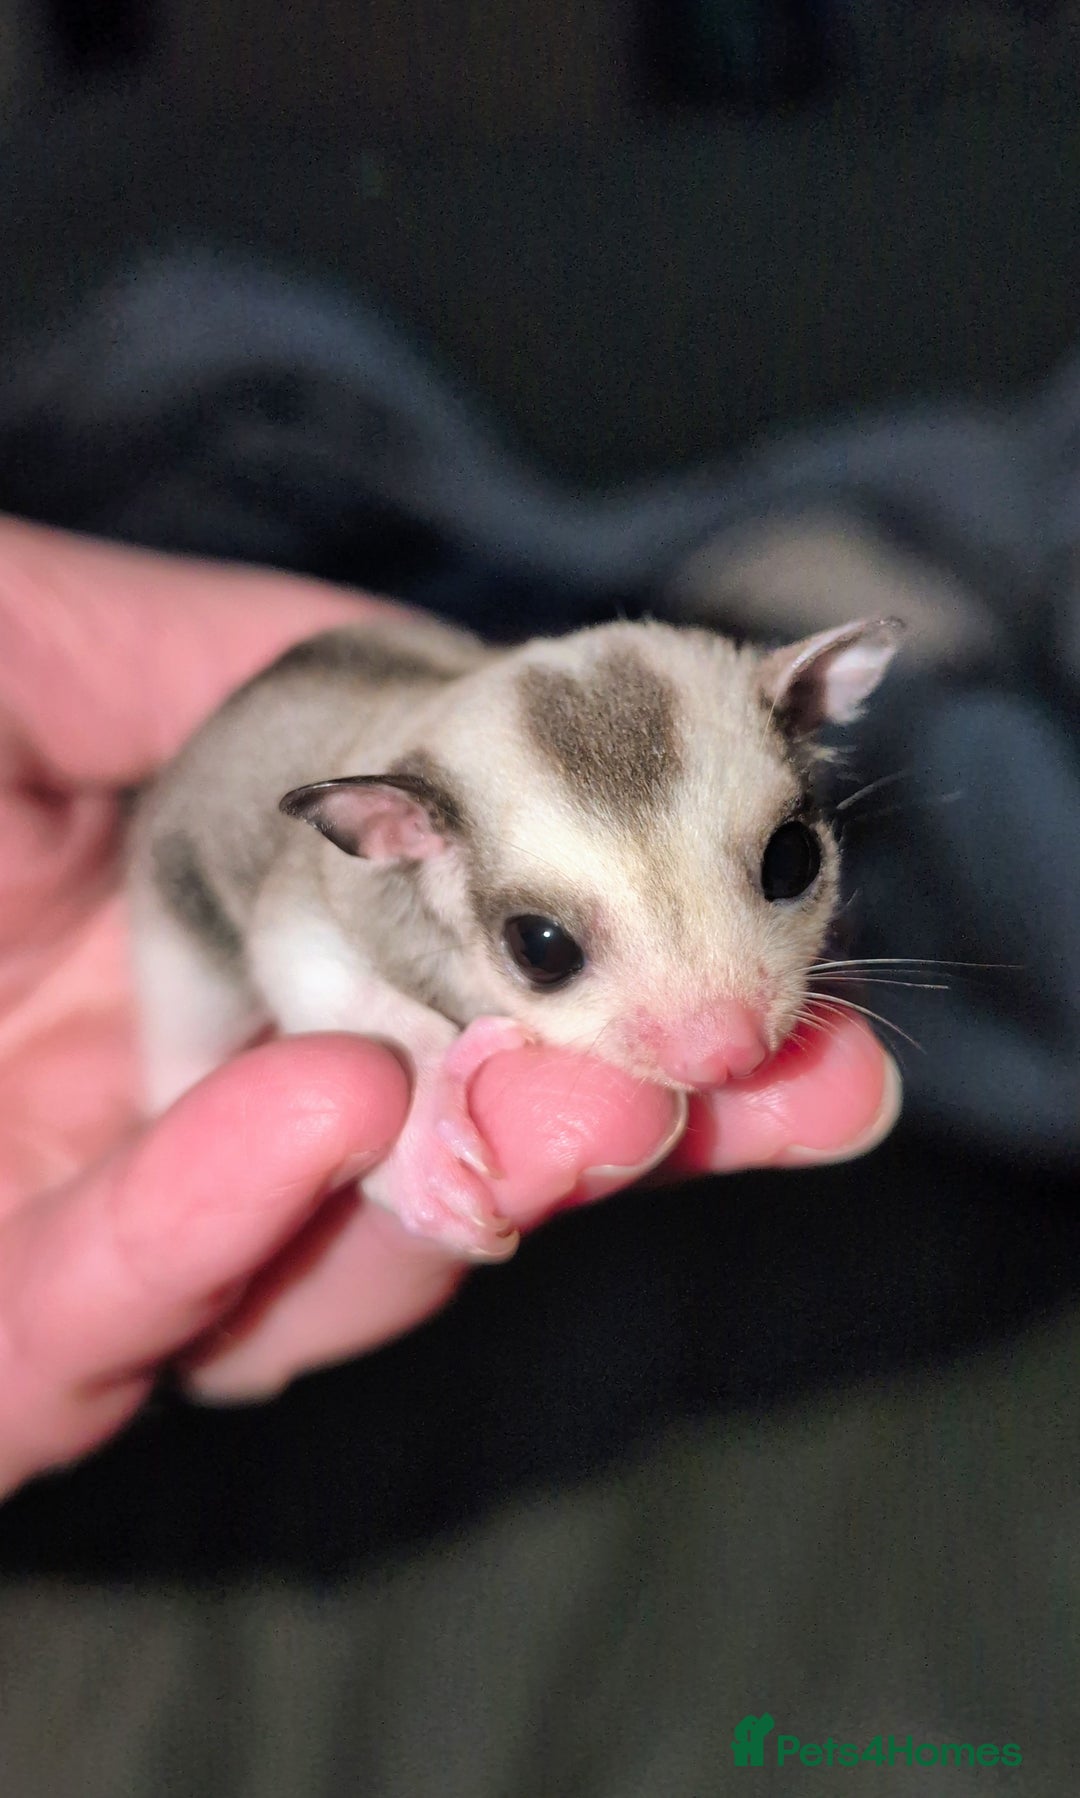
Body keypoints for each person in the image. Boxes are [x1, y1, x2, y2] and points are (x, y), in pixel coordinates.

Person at [0, 514, 899, 1502]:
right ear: (400, 835)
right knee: (202, 1073)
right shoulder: (384, 838)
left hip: (417, 683)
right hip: (201, 879)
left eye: (781, 867)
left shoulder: (493, 791)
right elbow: (290, 939)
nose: (725, 1041)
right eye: (549, 945)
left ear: (808, 696)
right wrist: (407, 1047)